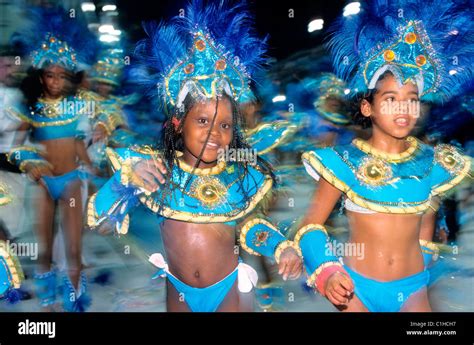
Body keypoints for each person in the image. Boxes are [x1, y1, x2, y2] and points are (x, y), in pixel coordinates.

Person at [87, 0, 302, 312]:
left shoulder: (239, 176)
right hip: (179, 292)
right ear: (179, 122)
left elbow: (248, 228)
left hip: (230, 292)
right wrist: (124, 182)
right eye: (203, 121)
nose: (214, 133)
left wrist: (281, 247)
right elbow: (102, 223)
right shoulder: (156, 171)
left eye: (225, 125)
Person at [296, 0, 473, 312]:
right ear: (368, 107)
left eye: (412, 99)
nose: (403, 109)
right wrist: (327, 270)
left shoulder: (434, 162)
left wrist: (426, 256)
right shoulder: (343, 162)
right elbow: (311, 225)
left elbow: (426, 222)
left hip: (414, 289)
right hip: (355, 290)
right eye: (390, 98)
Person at [7, 6, 98, 311]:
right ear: (42, 77)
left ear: (69, 77)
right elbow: (16, 147)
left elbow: (78, 140)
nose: (56, 81)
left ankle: (73, 296)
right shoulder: (31, 110)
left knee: (74, 246)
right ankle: (48, 298)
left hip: (72, 181)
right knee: (44, 248)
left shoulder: (77, 106)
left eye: (62, 76)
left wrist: (88, 164)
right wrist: (32, 165)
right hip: (45, 183)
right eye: (50, 75)